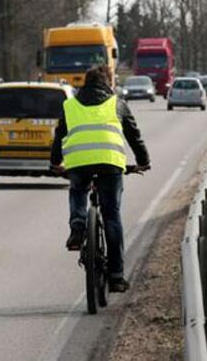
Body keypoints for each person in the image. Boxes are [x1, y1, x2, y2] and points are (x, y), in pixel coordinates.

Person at [50, 65, 150, 293]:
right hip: (109, 163)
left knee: (77, 189)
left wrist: (56, 162)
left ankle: (77, 225)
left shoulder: (70, 105)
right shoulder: (117, 104)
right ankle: (116, 277)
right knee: (112, 215)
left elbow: (59, 137)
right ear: (108, 82)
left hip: (78, 162)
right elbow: (134, 136)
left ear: (85, 82)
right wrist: (143, 160)